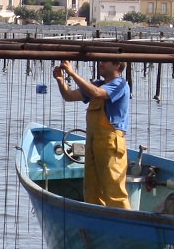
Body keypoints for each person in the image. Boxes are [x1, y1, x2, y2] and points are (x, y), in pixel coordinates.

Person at [54, 59, 131, 208]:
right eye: (100, 60)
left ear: (117, 65)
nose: (100, 63)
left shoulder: (119, 84)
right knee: (92, 189)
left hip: (111, 142)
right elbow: (69, 96)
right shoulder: (97, 84)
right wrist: (60, 80)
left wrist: (72, 72)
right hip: (93, 142)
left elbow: (96, 93)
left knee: (114, 189)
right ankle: (98, 224)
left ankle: (124, 225)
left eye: (105, 61)